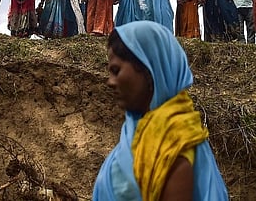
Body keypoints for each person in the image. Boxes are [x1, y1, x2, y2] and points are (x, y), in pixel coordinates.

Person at [93, 21, 229, 200]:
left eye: (116, 71)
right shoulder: (138, 134)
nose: (110, 82)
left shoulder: (172, 144)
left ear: (149, 71)